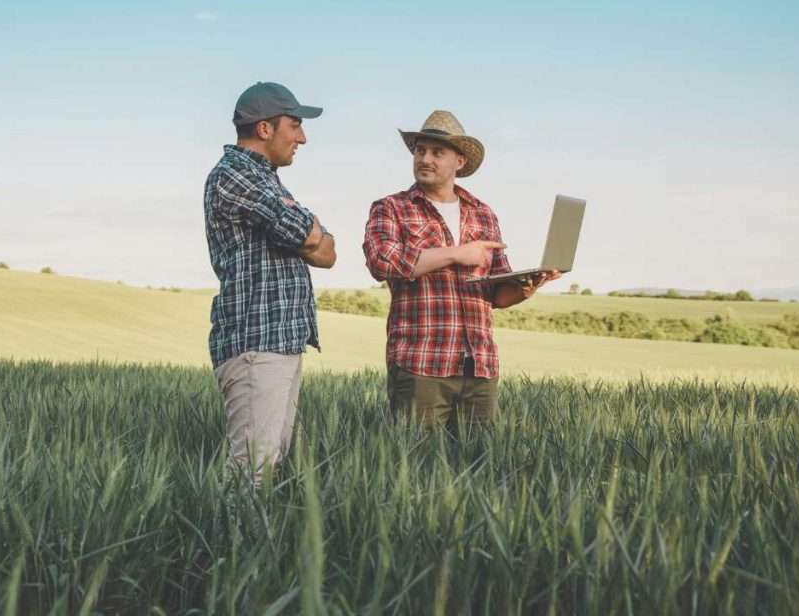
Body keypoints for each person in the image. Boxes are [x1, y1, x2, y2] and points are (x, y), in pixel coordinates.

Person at [362, 110, 559, 427]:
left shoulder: (483, 214)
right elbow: (381, 260)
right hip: (420, 364)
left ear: (460, 161)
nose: (425, 159)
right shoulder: (391, 207)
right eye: (420, 151)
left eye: (437, 152)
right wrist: (456, 254)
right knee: (415, 469)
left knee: (479, 468)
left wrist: (527, 286)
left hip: (479, 366)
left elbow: (496, 295)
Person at [204, 82, 336, 483]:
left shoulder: (267, 179)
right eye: (294, 125)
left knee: (267, 467)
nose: (303, 137)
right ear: (265, 129)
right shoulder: (237, 176)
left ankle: (252, 544)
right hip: (255, 345)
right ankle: (231, 545)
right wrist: (306, 229)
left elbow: (327, 252)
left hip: (277, 342)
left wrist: (307, 231)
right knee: (252, 474)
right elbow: (312, 237)